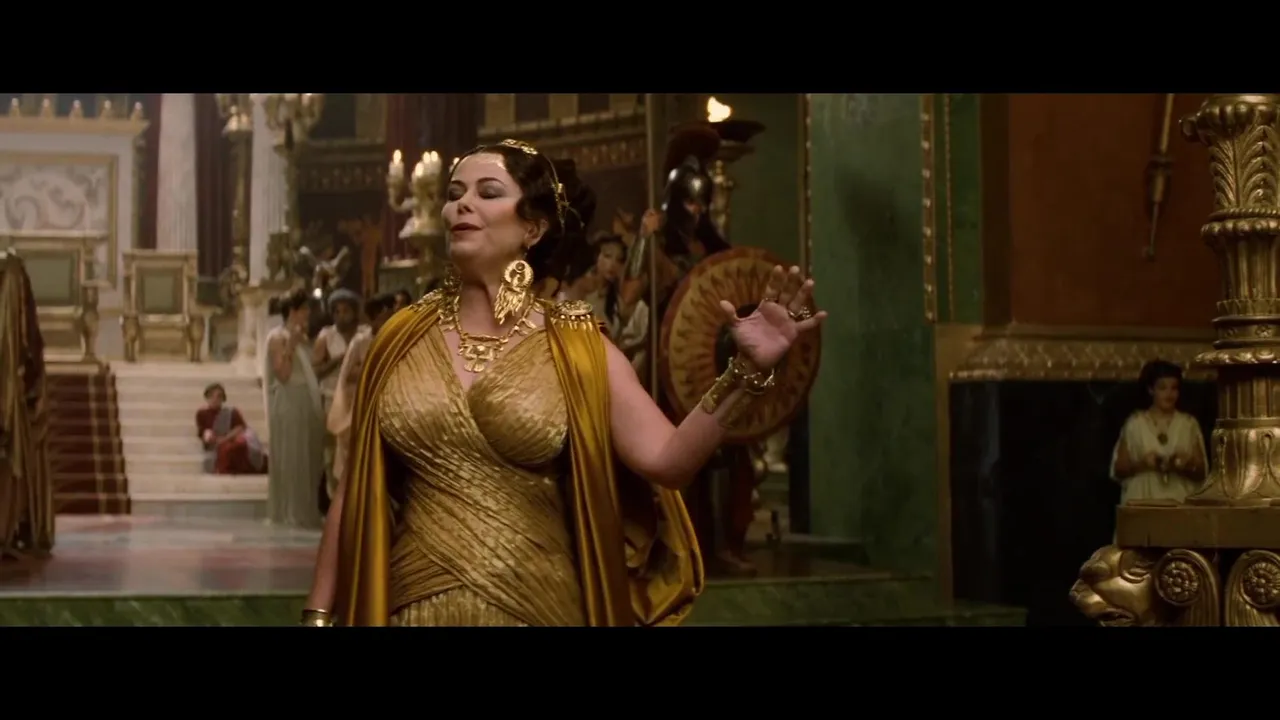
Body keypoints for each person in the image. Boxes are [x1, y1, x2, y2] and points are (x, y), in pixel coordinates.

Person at [300, 138, 826, 628]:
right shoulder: (400, 338)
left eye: (487, 193)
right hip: (412, 608)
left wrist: (744, 371)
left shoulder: (576, 346)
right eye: (455, 193)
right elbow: (354, 491)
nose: (461, 205)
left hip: (540, 606)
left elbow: (669, 459)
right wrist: (318, 617)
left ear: (533, 229)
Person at [264, 287, 326, 529]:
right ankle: (291, 511)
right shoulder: (277, 337)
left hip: (304, 401)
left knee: (307, 458)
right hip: (289, 402)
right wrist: (291, 344)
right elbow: (283, 374)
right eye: (304, 309)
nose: (308, 313)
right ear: (292, 311)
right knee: (292, 457)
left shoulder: (303, 336)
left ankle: (306, 509)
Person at [325, 292, 396, 501]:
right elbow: (347, 375)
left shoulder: (393, 337)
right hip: (361, 408)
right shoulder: (360, 341)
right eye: (386, 314)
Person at [1111, 360, 1207, 505]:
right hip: (1141, 501)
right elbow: (1119, 470)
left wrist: (1186, 465)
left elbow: (1202, 472)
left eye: (1174, 388)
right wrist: (1142, 464)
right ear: (1151, 390)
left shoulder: (1188, 424)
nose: (1169, 394)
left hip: (1179, 502)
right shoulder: (1135, 423)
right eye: (1162, 388)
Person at [196, 383, 267, 475]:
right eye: (211, 396)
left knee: (239, 445)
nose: (215, 399)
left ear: (223, 399)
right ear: (207, 398)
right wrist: (209, 436)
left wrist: (225, 439)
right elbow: (203, 432)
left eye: (218, 397)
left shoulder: (231, 412)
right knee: (225, 449)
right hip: (215, 443)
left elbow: (240, 428)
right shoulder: (202, 414)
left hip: (231, 440)